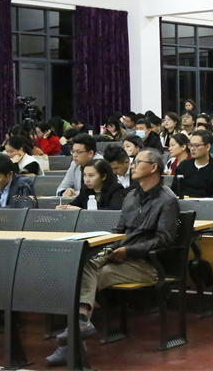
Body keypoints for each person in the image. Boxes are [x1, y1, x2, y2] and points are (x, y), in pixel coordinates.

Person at [44, 148, 179, 366]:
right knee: (81, 265)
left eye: (139, 162)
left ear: (154, 167)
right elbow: (119, 231)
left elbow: (163, 240)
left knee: (89, 278)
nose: (133, 165)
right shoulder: (132, 196)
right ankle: (80, 327)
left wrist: (128, 251)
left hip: (147, 264)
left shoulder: (167, 200)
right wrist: (110, 248)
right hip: (121, 256)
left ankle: (71, 344)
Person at [174, 129, 213, 199]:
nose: (192, 149)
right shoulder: (183, 166)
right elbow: (174, 191)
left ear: (208, 147)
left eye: (196, 145)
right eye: (190, 145)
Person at [58, 160, 126, 211]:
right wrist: (65, 208)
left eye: (91, 176)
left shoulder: (116, 189)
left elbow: (114, 210)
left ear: (103, 176)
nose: (86, 180)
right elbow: (75, 204)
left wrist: (81, 211)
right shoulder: (85, 189)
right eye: (84, 175)